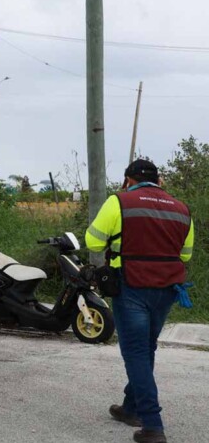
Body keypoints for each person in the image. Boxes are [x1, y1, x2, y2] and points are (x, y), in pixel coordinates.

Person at [85, 159, 194, 443]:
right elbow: (186, 254)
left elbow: (94, 242)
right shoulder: (182, 208)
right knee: (146, 348)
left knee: (135, 353)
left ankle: (152, 425)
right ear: (159, 181)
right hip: (168, 288)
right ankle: (130, 407)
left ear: (128, 180)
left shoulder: (119, 201)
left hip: (132, 286)